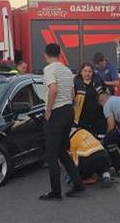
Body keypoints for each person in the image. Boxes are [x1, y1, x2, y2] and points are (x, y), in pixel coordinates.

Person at [39, 43, 84, 201]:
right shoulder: (66, 70)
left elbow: (53, 89)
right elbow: (72, 92)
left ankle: (55, 192)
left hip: (56, 112)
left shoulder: (49, 69)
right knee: (62, 151)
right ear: (59, 54)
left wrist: (49, 110)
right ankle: (78, 183)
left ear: (46, 54)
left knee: (52, 154)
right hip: (68, 111)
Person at [97, 91, 120, 177]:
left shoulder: (107, 105)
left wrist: (106, 137)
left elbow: (111, 125)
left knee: (109, 140)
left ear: (102, 101)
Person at [73, 63, 105, 135]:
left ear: (93, 72)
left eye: (90, 71)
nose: (87, 73)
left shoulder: (98, 82)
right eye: (85, 71)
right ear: (81, 72)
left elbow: (104, 95)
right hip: (82, 117)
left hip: (97, 117)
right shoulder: (76, 83)